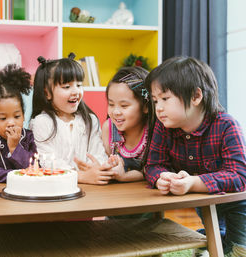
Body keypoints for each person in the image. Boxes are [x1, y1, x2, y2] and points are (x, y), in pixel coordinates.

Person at [144, 56, 246, 256]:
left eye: (165, 99)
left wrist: (194, 182)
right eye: (155, 101)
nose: (159, 108)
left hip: (239, 202)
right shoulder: (164, 126)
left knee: (238, 250)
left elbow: (239, 175)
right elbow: (153, 165)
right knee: (215, 239)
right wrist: (161, 178)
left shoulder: (226, 125)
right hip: (207, 202)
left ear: (196, 96)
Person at [30, 53, 112, 185]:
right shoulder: (41, 122)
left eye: (79, 85)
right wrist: (81, 176)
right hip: (57, 187)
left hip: (92, 187)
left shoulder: (89, 120)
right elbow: (47, 162)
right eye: (67, 87)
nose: (76, 91)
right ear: (47, 93)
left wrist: (96, 168)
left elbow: (98, 152)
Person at [101, 66, 155, 182]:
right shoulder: (108, 128)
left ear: (145, 106)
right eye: (111, 104)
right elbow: (104, 162)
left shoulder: (154, 131)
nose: (115, 112)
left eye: (124, 106)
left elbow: (149, 171)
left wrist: (124, 177)